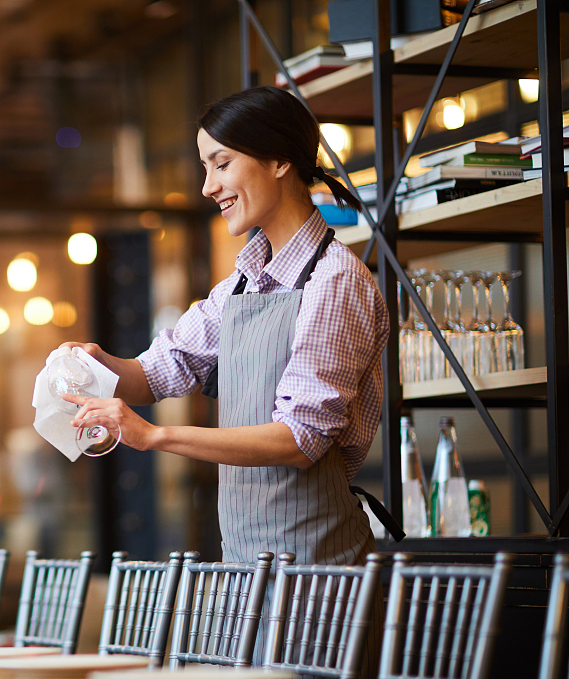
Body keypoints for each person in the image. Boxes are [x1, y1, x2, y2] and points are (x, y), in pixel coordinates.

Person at [64, 86, 390, 566]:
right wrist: (99, 364)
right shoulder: (242, 283)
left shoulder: (335, 280)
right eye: (205, 168)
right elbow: (157, 372)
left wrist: (156, 436)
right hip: (244, 559)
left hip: (318, 566)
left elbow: (300, 439)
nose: (207, 187)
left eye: (221, 164)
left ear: (279, 160)